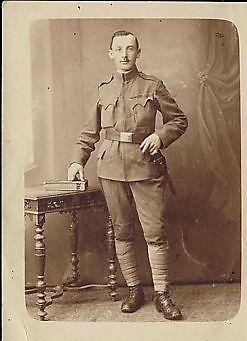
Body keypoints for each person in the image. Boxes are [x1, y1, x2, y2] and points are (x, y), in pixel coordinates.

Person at [68, 30, 188, 320]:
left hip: (145, 168)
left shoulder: (152, 86)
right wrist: (76, 162)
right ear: (110, 54)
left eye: (130, 49)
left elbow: (179, 120)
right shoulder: (104, 90)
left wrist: (160, 137)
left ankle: (162, 294)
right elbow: (89, 133)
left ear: (138, 53)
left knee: (154, 233)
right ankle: (135, 290)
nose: (124, 55)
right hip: (110, 170)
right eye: (118, 49)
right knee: (121, 232)